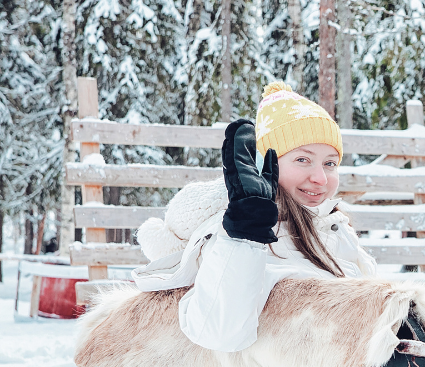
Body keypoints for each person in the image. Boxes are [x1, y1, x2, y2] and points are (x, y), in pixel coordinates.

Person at [132, 82, 376, 352]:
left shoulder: (333, 226)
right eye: (302, 160)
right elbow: (220, 334)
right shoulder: (240, 233)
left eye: (330, 163)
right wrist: (245, 235)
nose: (320, 178)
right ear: (264, 166)